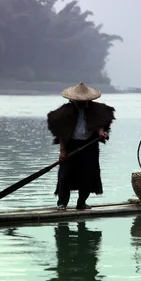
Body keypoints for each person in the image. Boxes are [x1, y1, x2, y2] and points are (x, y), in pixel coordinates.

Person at [47, 82, 116, 210]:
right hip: (71, 145)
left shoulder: (96, 109)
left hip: (89, 145)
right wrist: (62, 151)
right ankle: (62, 203)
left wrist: (101, 132)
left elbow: (99, 122)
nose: (82, 102)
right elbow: (62, 132)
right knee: (65, 175)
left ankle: (81, 202)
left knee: (88, 174)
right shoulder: (65, 111)